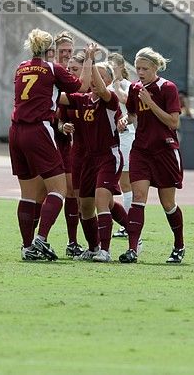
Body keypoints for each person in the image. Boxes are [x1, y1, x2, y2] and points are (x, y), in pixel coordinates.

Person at [9, 28, 91, 261]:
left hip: (15, 131)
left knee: (27, 194)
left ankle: (27, 247)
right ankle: (40, 240)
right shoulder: (52, 68)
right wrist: (90, 60)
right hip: (38, 129)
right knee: (59, 189)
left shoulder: (21, 67)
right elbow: (83, 87)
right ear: (51, 50)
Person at [120, 47, 185, 264]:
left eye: (144, 68)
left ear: (155, 68)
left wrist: (150, 102)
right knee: (138, 198)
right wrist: (124, 121)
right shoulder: (135, 89)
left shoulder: (168, 88)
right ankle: (132, 250)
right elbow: (132, 114)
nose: (140, 72)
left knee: (168, 204)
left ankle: (179, 245)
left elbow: (173, 122)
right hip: (141, 150)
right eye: (137, 68)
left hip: (165, 150)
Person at [60, 63, 127, 262]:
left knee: (101, 201)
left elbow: (104, 91)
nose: (95, 81)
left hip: (107, 157)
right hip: (86, 159)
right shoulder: (82, 100)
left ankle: (105, 251)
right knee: (85, 207)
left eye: (101, 77)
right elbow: (57, 96)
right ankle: (93, 247)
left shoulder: (110, 99)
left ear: (107, 81)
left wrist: (90, 60)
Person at [53, 31, 83, 257]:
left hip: (69, 144)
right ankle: (33, 240)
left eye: (69, 51)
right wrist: (61, 125)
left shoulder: (73, 78)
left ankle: (73, 242)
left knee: (74, 191)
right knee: (42, 192)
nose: (66, 55)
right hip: (45, 137)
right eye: (62, 51)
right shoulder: (49, 72)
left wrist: (63, 125)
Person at [107, 52, 135, 238]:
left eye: (113, 67)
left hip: (126, 137)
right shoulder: (106, 86)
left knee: (125, 182)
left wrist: (116, 83)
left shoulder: (126, 86)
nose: (110, 70)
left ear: (121, 68)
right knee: (115, 181)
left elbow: (125, 100)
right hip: (112, 138)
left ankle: (128, 223)